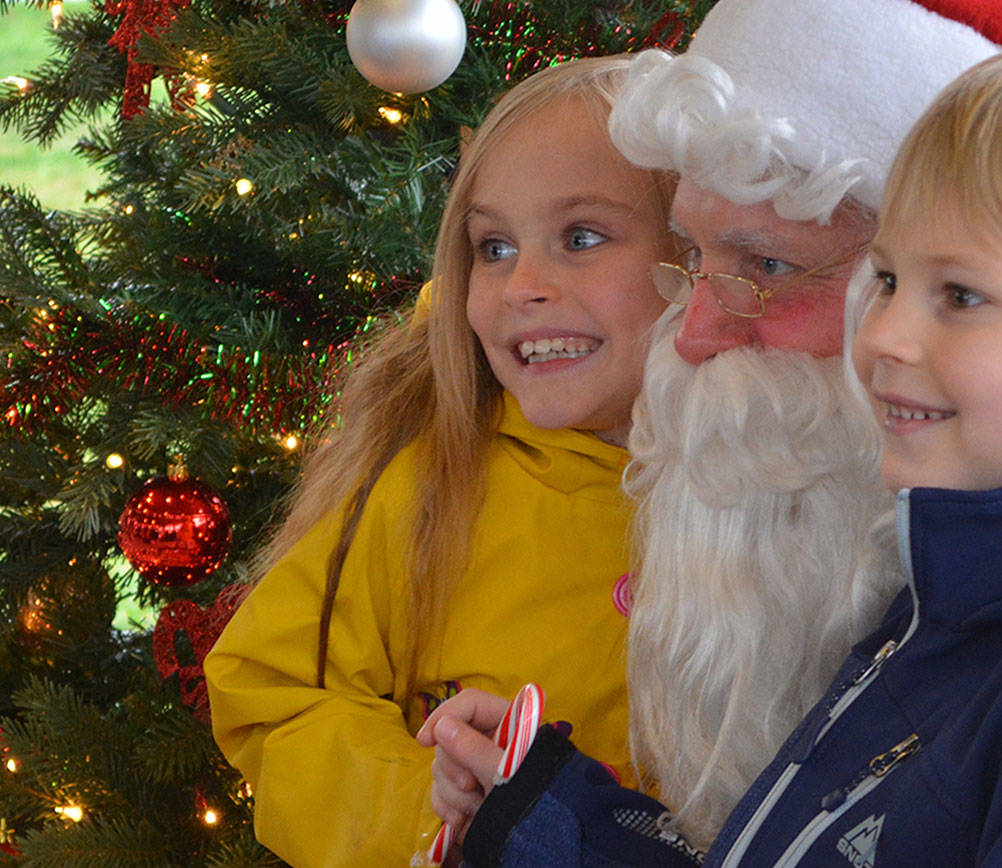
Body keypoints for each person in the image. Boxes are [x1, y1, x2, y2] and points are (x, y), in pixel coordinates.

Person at [425, 0, 1002, 854]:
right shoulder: (963, 569)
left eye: (958, 296)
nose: (882, 336)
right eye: (883, 279)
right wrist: (559, 819)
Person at [201, 55, 677, 867]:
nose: (522, 284)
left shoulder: (795, 492)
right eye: (493, 246)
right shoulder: (429, 483)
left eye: (582, 237)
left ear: (695, 249)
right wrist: (431, 809)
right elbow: (269, 693)